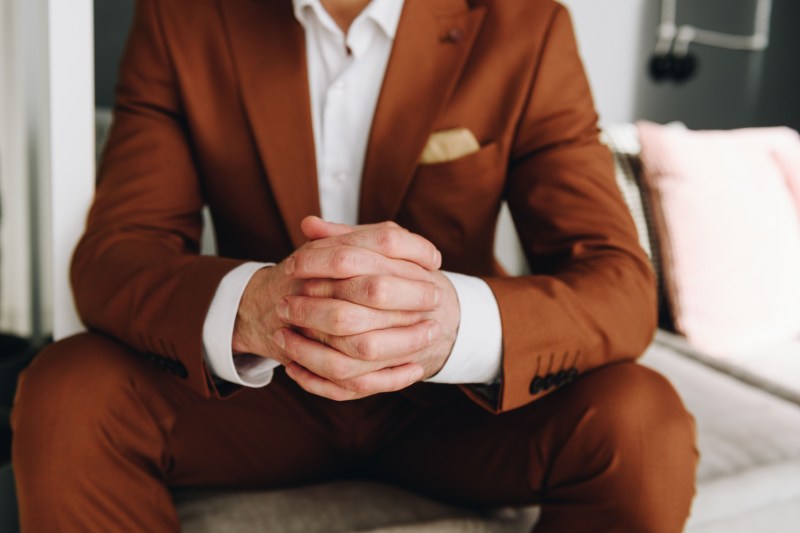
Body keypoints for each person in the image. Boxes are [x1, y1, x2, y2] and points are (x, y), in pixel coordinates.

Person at [12, 0, 698, 530]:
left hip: (454, 408)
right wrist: (252, 307)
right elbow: (116, 250)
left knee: (643, 420)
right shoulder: (182, 16)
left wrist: (451, 324)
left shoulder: (527, 24)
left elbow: (617, 278)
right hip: (261, 395)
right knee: (68, 391)